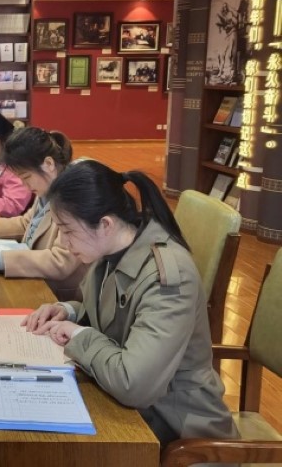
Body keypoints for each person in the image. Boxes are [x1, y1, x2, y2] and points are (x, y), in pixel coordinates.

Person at [24, 160, 238, 451]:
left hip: (180, 434)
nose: (62, 240)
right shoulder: (111, 248)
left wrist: (79, 334)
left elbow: (133, 383)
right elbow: (115, 316)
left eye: (68, 230)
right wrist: (70, 312)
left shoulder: (166, 278)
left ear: (105, 224)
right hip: (134, 415)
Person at [0, 127, 86, 301]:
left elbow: (60, 261)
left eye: (26, 177)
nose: (25, 186)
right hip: (34, 281)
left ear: (48, 164)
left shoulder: (76, 197)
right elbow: (26, 223)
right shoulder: (48, 188)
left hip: (56, 296)